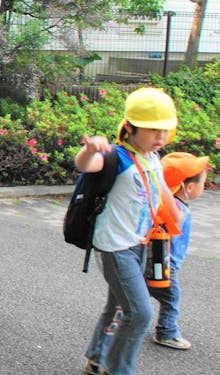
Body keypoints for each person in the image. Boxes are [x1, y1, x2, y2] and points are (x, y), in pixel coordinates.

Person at [77, 87, 181, 375]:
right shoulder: (117, 157)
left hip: (140, 243)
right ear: (130, 127)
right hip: (115, 246)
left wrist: (174, 223)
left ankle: (97, 358)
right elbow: (86, 165)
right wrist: (90, 149)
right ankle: (119, 369)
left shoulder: (154, 158)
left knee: (119, 308)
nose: (160, 137)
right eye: (152, 130)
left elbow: (158, 195)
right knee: (139, 313)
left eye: (165, 130)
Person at [147, 152, 209, 351]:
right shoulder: (180, 211)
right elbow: (172, 242)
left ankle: (123, 322)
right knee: (171, 299)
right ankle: (166, 332)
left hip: (145, 261)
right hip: (165, 266)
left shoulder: (159, 203)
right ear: (189, 187)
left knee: (136, 295)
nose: (204, 188)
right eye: (203, 184)